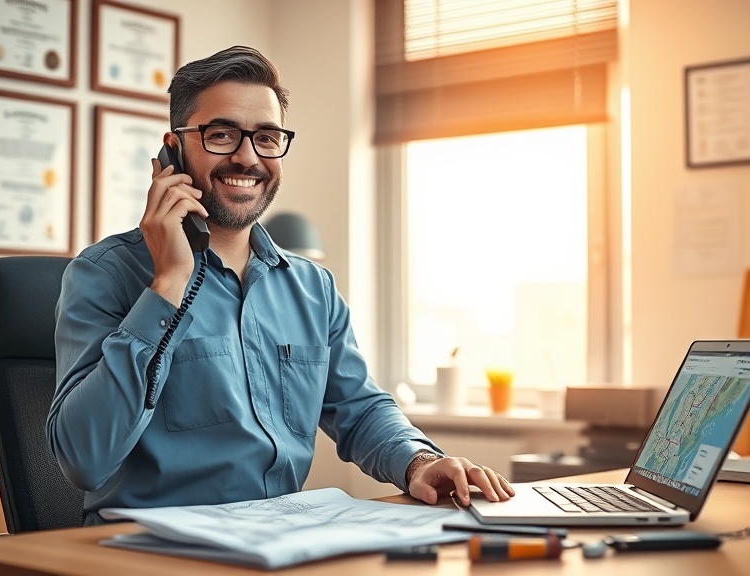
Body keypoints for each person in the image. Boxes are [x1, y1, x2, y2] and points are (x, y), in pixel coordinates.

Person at [47, 45, 514, 524]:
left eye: (267, 138)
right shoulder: (103, 274)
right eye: (222, 134)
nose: (248, 157)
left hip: (280, 540)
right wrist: (168, 283)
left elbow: (359, 407)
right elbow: (84, 459)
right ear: (174, 147)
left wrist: (420, 461)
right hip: (149, 552)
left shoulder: (312, 288)